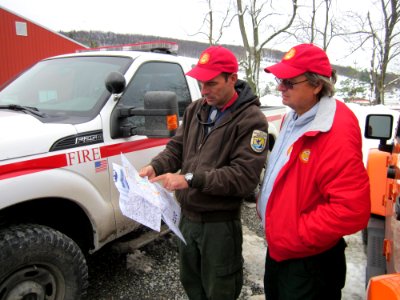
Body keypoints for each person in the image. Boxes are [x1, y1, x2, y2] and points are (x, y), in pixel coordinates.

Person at [139, 45, 269, 300]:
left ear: (232, 78)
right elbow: (177, 147)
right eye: (200, 84)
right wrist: (156, 166)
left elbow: (243, 178)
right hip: (187, 221)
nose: (204, 90)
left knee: (220, 289)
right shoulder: (196, 109)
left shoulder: (252, 120)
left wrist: (189, 179)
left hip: (219, 226)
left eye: (211, 83)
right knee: (192, 284)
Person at [257, 43, 371, 300]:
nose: (279, 87)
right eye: (279, 79)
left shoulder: (335, 130)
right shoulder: (294, 116)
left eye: (288, 82)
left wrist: (293, 232)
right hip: (281, 251)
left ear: (317, 85)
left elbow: (351, 211)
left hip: (309, 262)